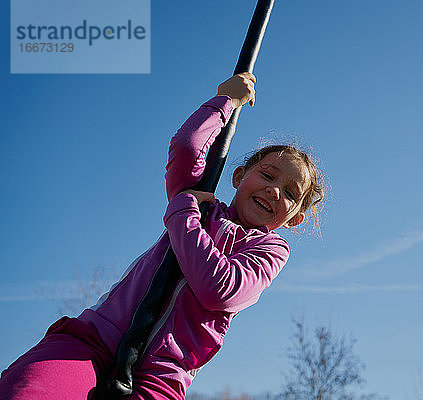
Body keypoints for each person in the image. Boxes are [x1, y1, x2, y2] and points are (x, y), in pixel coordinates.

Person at [0, 73, 325, 400]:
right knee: (27, 391)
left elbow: (220, 290)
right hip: (96, 338)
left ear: (294, 218)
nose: (273, 190)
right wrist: (225, 102)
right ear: (239, 176)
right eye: (268, 175)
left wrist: (182, 212)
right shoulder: (202, 202)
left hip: (163, 374)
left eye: (289, 193)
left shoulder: (268, 248)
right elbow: (187, 147)